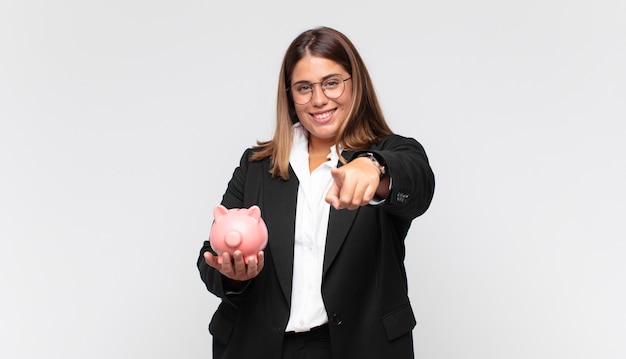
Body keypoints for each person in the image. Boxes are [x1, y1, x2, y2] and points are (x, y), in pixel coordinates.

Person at [197, 26, 435, 359]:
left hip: (357, 347)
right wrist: (233, 275)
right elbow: (211, 258)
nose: (319, 99)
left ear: (355, 84)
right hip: (261, 347)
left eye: (332, 82)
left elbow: (418, 183)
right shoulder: (256, 166)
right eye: (304, 88)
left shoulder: (390, 152)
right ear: (290, 96)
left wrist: (373, 166)